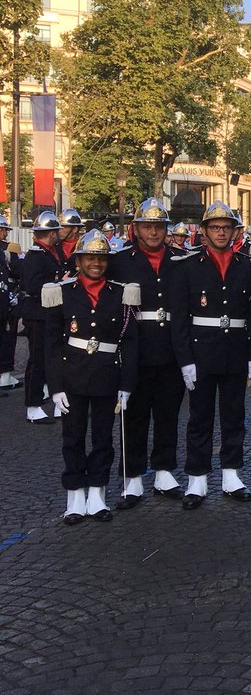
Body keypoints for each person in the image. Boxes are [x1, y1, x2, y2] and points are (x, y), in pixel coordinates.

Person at [169, 201, 251, 509]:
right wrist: (185, 360)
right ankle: (196, 479)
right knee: (200, 417)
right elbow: (180, 318)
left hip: (235, 350)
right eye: (215, 228)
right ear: (205, 232)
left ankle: (232, 474)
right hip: (201, 351)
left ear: (234, 232)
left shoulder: (247, 265)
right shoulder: (186, 266)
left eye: (226, 227)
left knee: (233, 416)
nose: (221, 233)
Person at [45, 230, 139, 524]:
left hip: (106, 375)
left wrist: (126, 384)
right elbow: (50, 344)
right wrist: (55, 385)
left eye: (101, 258)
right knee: (72, 438)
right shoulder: (62, 292)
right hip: (71, 374)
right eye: (90, 258)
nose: (96, 263)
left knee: (102, 439)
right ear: (79, 260)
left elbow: (130, 341)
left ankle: (97, 494)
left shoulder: (120, 293)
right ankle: (74, 497)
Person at [108, 198, 188, 505]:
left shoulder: (181, 259)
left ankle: (165, 470)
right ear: (136, 228)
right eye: (147, 227)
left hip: (171, 345)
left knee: (168, 413)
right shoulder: (119, 261)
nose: (153, 233)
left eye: (158, 227)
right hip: (134, 347)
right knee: (134, 415)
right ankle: (132, 476)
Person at [20, 211, 66, 425]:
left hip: (51, 312)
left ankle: (53, 396)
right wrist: (58, 283)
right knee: (37, 360)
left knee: (53, 357)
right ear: (50, 233)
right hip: (38, 313)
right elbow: (32, 285)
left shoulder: (51, 252)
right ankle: (33, 405)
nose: (59, 234)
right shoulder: (35, 256)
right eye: (56, 231)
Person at [0, 215, 20, 391]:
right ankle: (5, 375)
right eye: (4, 229)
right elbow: (17, 271)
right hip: (6, 298)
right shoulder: (10, 249)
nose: (5, 233)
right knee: (7, 337)